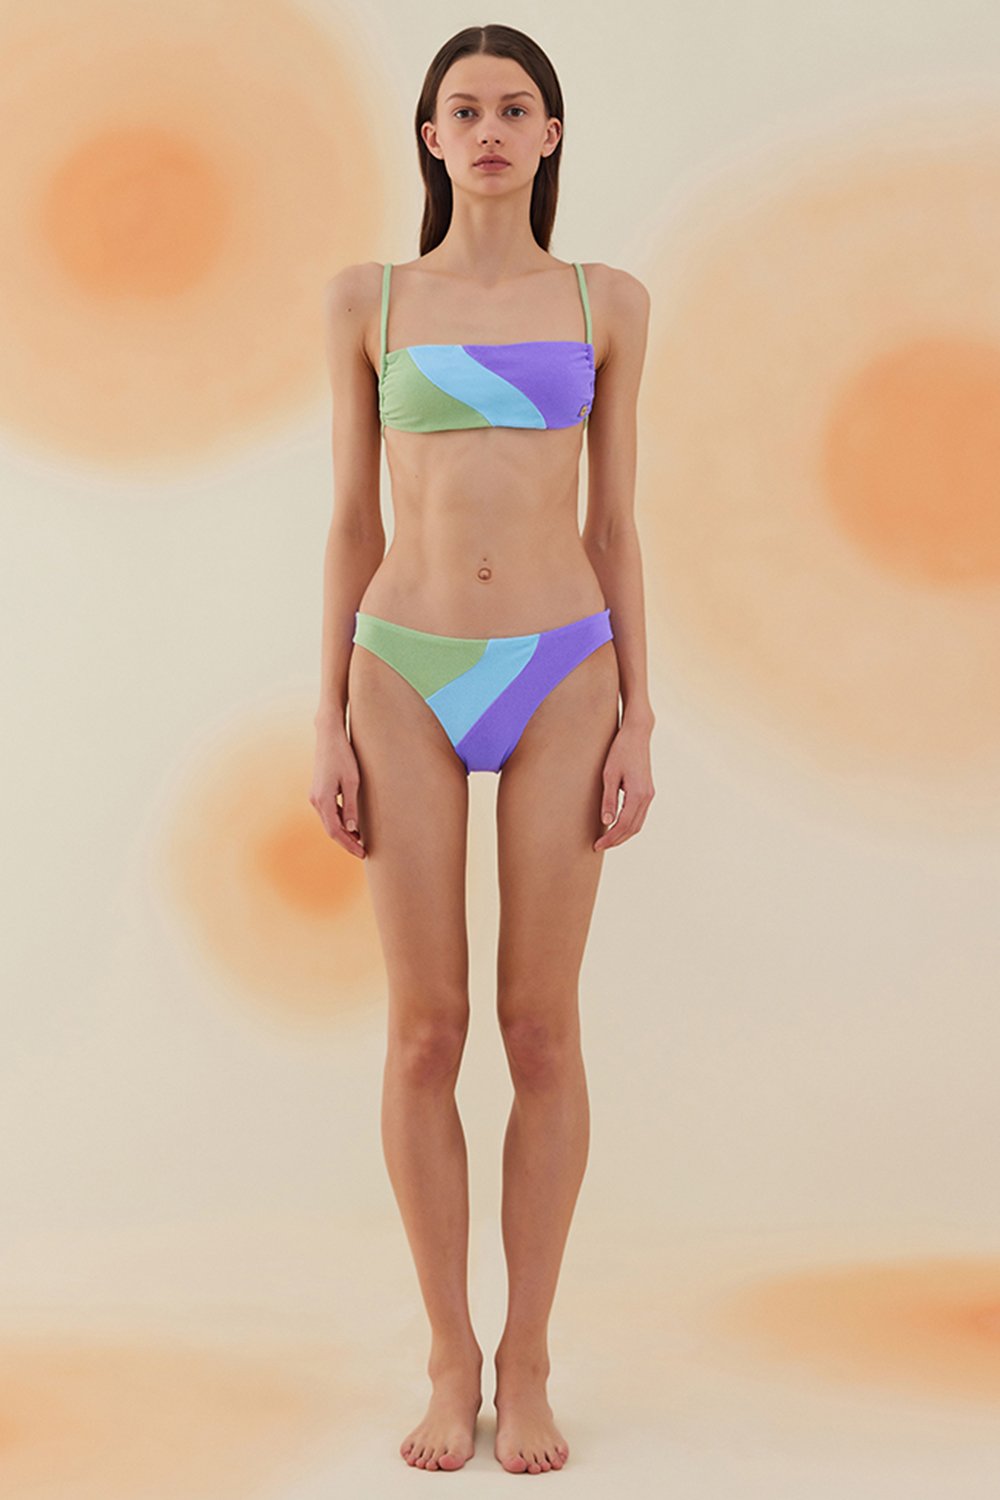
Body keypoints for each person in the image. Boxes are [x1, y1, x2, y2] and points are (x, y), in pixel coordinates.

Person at [310, 21, 655, 1476]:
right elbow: (353, 519)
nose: (493, 129)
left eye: (517, 108)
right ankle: (451, 1355)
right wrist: (325, 714)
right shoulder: (370, 298)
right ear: (432, 137)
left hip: (565, 666)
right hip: (404, 666)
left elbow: (613, 520)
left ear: (551, 134)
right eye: (467, 109)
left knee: (540, 1029)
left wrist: (641, 711)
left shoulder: (607, 300)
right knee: (425, 1031)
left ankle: (530, 1359)